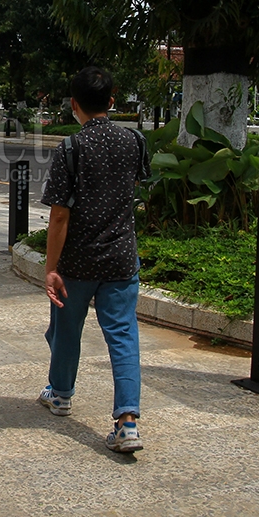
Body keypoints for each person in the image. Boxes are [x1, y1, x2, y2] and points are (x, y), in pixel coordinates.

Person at [38, 66, 150, 454]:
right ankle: (127, 421)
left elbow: (59, 215)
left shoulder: (70, 148)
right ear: (113, 101)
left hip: (78, 261)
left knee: (66, 330)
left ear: (74, 105)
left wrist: (51, 268)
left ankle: (61, 394)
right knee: (123, 335)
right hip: (121, 258)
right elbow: (130, 188)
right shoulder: (134, 141)